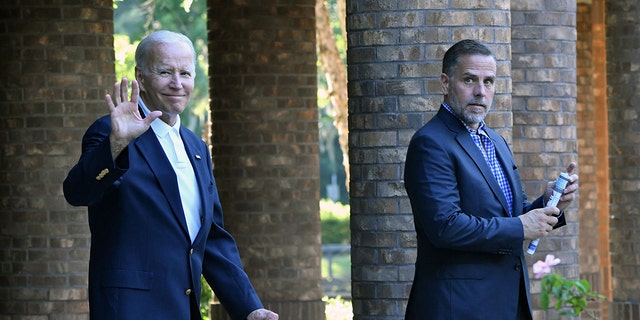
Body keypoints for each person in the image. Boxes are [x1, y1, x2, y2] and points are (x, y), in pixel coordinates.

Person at [63, 30, 278, 320]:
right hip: (129, 310)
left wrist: (249, 307)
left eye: (185, 73)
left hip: (184, 310)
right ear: (141, 77)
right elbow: (77, 193)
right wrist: (116, 144)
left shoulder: (196, 146)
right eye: (165, 72)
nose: (177, 84)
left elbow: (210, 237)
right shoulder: (111, 132)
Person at [403, 39, 579, 320]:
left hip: (507, 302)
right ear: (446, 83)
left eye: (489, 82)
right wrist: (522, 225)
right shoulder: (430, 143)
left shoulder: (494, 140)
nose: (480, 92)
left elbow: (513, 213)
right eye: (469, 80)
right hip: (458, 308)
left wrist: (549, 202)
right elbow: (445, 227)